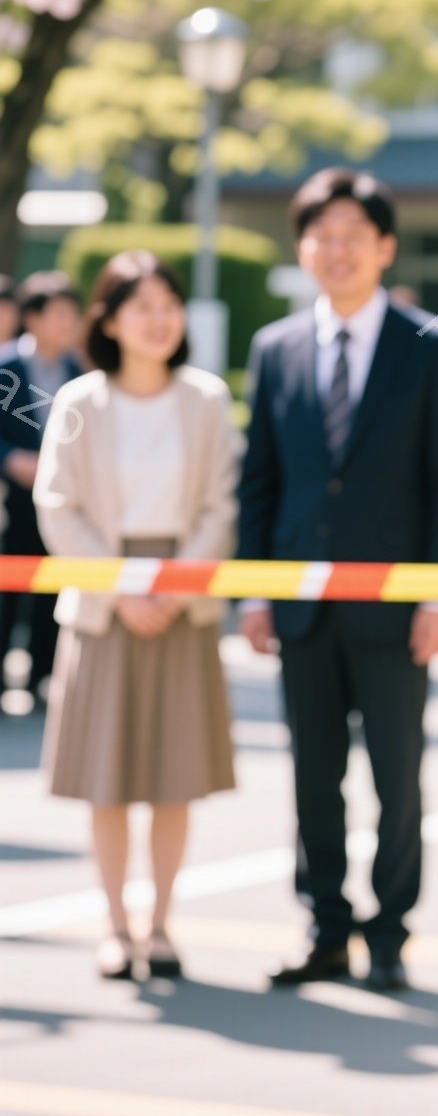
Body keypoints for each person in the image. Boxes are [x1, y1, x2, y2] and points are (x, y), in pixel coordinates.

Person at [237, 168, 438, 993]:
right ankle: (325, 929)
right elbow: (259, 479)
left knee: (396, 777)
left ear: (384, 248)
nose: (336, 252)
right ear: (303, 248)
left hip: (396, 606)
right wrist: (255, 590)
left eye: (352, 237)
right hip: (300, 605)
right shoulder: (275, 349)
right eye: (321, 236)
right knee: (313, 776)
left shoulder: (430, 345)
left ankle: (391, 934)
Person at [33, 252, 237, 981]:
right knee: (109, 777)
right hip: (103, 603)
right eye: (141, 305)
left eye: (168, 303)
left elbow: (221, 504)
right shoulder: (80, 402)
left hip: (183, 601)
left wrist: (174, 589)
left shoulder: (206, 399)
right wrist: (121, 589)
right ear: (110, 319)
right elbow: (58, 506)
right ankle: (116, 925)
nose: (159, 318)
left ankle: (161, 924)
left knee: (174, 775)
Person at [0, 273, 84, 709]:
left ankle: (41, 677)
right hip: (11, 500)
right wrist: (9, 458)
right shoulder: (6, 369)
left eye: (73, 315)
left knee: (52, 587)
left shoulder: (77, 371)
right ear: (32, 318)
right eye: (59, 315)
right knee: (6, 592)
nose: (68, 324)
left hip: (61, 503)